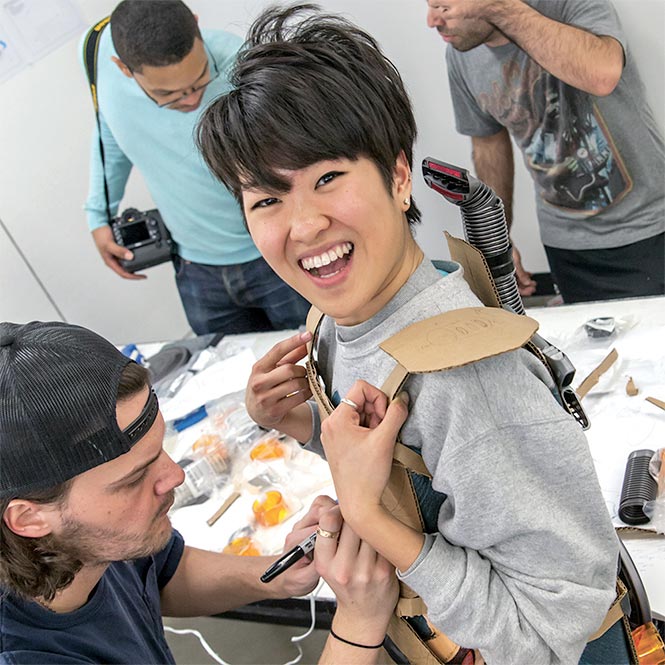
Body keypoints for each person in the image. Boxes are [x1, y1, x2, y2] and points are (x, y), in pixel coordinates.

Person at [197, 4, 631, 663]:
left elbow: (553, 631)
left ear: (398, 176)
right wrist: (301, 425)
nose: (304, 225)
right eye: (266, 199)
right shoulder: (347, 316)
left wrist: (372, 521)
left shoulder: (463, 374)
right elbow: (421, 469)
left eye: (327, 178)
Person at [0, 320, 397, 664]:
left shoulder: (90, 542)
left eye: (161, 450)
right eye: (134, 478)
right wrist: (357, 625)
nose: (174, 476)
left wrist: (275, 575)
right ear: (29, 518)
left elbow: (162, 572)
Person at [83, 0, 310, 335]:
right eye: (169, 95)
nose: (190, 100)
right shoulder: (94, 55)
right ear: (123, 69)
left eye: (200, 80)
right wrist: (99, 214)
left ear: (197, 26)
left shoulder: (246, 64)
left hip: (277, 255)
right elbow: (111, 131)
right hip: (196, 271)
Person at [426, 0, 665, 303]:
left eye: (443, 7)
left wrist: (499, 7)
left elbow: (602, 74)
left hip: (648, 231)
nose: (431, 20)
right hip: (566, 248)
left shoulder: (567, 5)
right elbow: (489, 147)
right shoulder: (461, 58)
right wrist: (498, 240)